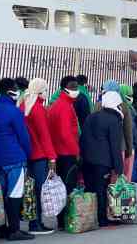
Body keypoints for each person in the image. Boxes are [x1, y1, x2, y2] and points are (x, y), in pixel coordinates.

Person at [0, 78, 34, 241]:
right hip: (15, 158)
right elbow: (23, 137)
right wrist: (28, 154)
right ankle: (14, 230)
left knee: (1, 194)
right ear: (9, 91)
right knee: (14, 194)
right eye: (16, 89)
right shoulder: (14, 111)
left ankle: (1, 228)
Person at [80, 91, 124, 227]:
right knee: (101, 190)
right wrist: (119, 167)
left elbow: (83, 138)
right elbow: (115, 145)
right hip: (103, 162)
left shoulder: (91, 117)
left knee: (90, 189)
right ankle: (102, 218)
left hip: (87, 160)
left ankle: (88, 216)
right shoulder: (114, 120)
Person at [19, 78, 56, 235]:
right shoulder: (38, 109)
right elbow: (44, 136)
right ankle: (36, 223)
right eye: (45, 90)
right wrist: (52, 157)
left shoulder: (23, 105)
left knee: (28, 189)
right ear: (40, 91)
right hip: (39, 154)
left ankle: (30, 220)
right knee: (39, 189)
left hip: (25, 154)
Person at [47, 76, 80, 231]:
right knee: (67, 187)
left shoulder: (56, 105)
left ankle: (61, 219)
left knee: (61, 187)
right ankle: (65, 219)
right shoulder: (65, 107)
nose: (75, 90)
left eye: (76, 86)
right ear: (64, 88)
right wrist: (77, 152)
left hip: (58, 152)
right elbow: (66, 133)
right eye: (72, 87)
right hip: (67, 153)